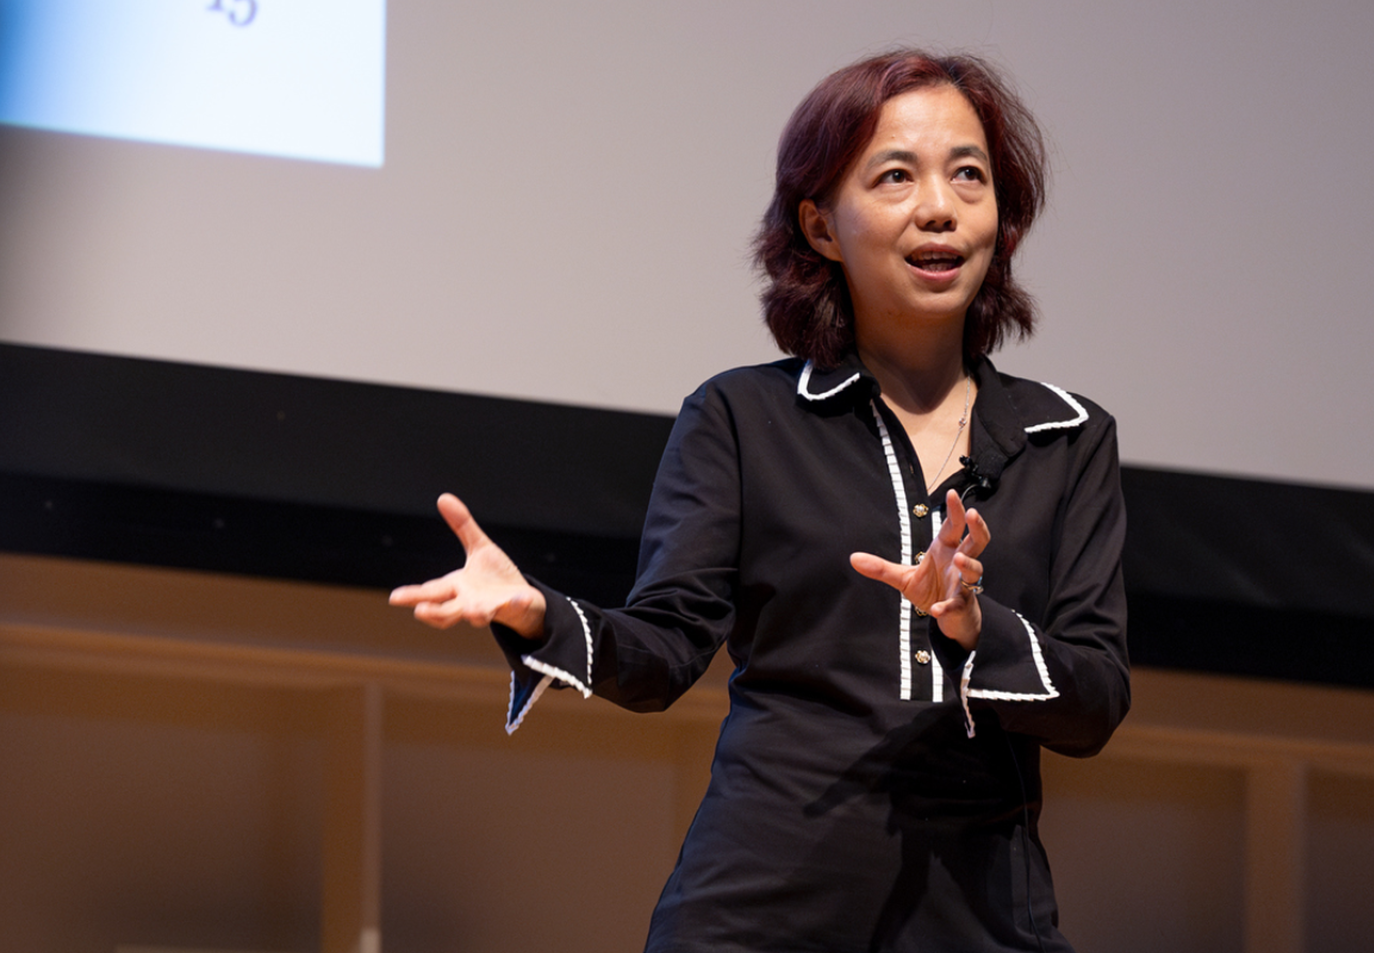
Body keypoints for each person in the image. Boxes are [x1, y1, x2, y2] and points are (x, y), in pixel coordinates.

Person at [389, 50, 1129, 952]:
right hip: (758, 908)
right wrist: (540, 615)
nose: (939, 206)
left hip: (978, 916)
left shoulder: (1068, 437)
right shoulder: (744, 417)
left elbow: (1094, 703)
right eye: (895, 176)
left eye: (968, 175)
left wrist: (979, 628)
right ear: (821, 226)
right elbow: (664, 652)